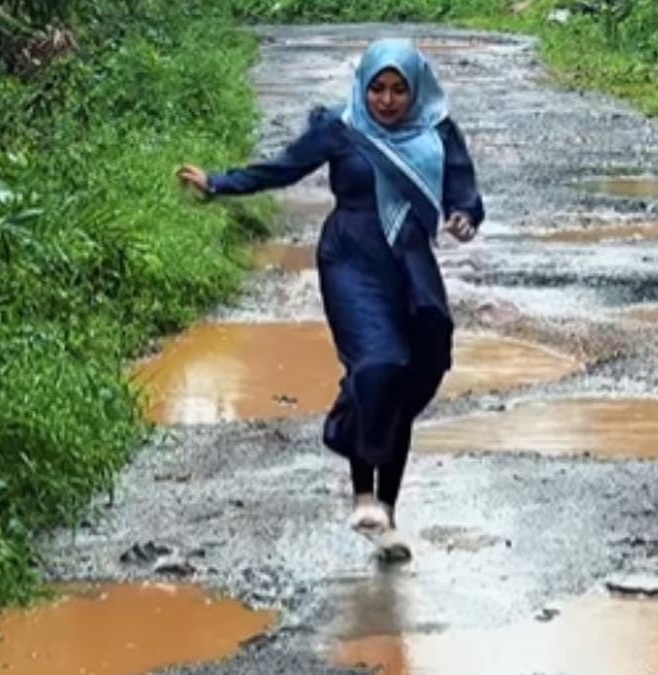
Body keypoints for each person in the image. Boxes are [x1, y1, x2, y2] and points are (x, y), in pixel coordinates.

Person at [177, 39, 483, 557]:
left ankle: (387, 515)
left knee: (413, 373)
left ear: (416, 89)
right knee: (377, 366)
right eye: (377, 89)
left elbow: (462, 187)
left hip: (409, 262)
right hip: (351, 259)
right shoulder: (340, 128)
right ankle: (363, 493)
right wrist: (219, 184)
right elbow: (283, 168)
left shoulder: (436, 129)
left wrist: (463, 215)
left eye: (398, 90)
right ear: (363, 87)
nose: (386, 101)